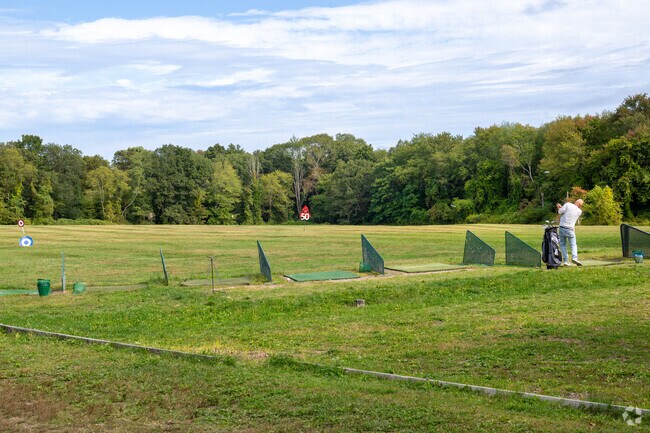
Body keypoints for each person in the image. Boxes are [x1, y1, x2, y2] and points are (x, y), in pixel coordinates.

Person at [556, 199, 584, 266]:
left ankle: (566, 261)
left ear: (575, 202)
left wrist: (559, 207)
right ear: (580, 206)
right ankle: (575, 258)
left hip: (562, 228)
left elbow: (560, 212)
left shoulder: (568, 204)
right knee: (573, 244)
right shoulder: (579, 211)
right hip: (571, 229)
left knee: (563, 244)